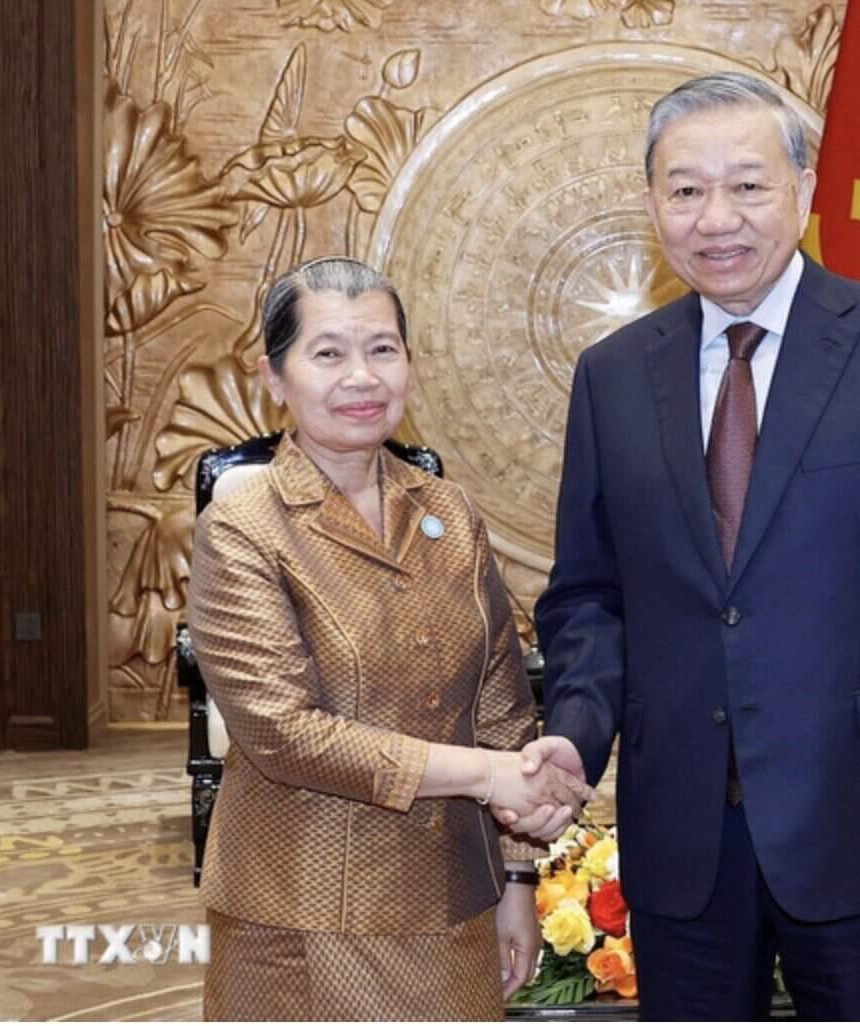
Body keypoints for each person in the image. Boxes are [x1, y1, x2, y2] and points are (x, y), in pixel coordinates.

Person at [517, 73, 860, 1020]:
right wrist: (575, 736)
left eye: (747, 185)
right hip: (681, 834)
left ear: (803, 189)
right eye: (686, 189)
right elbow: (590, 597)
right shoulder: (614, 377)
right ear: (653, 201)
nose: (717, 218)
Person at [187, 256, 592, 1021]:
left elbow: (501, 702)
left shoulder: (448, 511)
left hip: (453, 904)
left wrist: (517, 880)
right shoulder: (243, 526)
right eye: (328, 353)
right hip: (301, 917)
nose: (361, 377)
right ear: (275, 378)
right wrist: (488, 776)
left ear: (409, 364)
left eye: (382, 349)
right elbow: (283, 733)